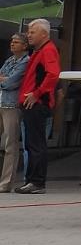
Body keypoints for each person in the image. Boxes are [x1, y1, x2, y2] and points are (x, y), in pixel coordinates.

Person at [18, 18, 60, 194]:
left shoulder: (48, 50)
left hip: (37, 103)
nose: (29, 35)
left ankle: (37, 182)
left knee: (36, 144)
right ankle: (32, 180)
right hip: (30, 103)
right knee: (31, 143)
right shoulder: (39, 51)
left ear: (44, 33)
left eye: (32, 32)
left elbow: (53, 74)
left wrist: (36, 94)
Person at [0, 31, 31, 192]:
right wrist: (4, 79)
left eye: (16, 42)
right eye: (12, 41)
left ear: (25, 46)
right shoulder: (10, 60)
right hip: (1, 102)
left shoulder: (26, 62)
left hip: (12, 105)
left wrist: (4, 79)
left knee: (10, 144)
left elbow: (10, 83)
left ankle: (6, 183)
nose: (12, 44)